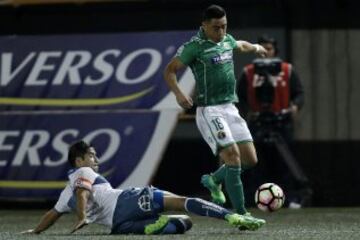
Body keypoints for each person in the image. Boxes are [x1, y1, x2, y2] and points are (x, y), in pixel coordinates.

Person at [21, 140, 265, 235]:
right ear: (79, 161)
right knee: (181, 201)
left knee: (184, 223)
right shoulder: (83, 173)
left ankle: (151, 223)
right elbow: (82, 193)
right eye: (92, 156)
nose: (96, 161)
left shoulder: (64, 194)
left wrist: (35, 231)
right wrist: (82, 216)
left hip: (118, 225)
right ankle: (233, 216)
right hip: (125, 202)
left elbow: (51, 215)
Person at [163, 4, 267, 220]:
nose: (222, 32)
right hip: (210, 111)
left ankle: (213, 180)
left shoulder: (226, 40)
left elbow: (241, 45)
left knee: (250, 159)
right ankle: (241, 214)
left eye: (224, 26)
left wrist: (257, 47)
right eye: (216, 28)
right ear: (204, 26)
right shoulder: (194, 46)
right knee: (233, 157)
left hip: (230, 107)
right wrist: (178, 94)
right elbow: (170, 71)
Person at [237, 35, 312, 208]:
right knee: (255, 164)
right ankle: (252, 199)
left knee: (285, 164)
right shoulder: (248, 72)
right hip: (257, 123)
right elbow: (239, 96)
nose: (265, 51)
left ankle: (290, 198)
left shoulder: (287, 70)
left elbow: (299, 93)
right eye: (261, 48)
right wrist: (245, 113)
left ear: (275, 50)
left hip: (281, 122)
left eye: (268, 48)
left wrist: (295, 106)